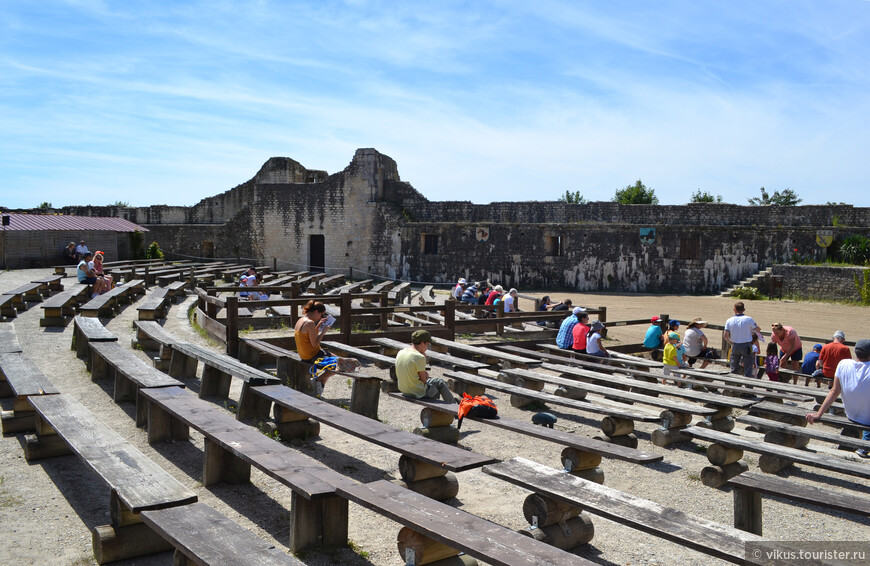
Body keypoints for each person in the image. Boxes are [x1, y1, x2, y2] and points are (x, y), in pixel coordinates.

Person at [807, 339, 870, 458]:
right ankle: (865, 446)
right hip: (866, 419)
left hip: (851, 414)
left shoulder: (843, 364)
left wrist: (819, 413)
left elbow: (834, 391)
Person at [395, 330, 454, 403]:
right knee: (437, 387)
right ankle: (454, 407)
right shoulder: (419, 357)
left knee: (439, 381)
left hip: (403, 389)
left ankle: (453, 405)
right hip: (417, 392)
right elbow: (424, 381)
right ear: (423, 343)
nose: (427, 347)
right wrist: (425, 375)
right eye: (427, 345)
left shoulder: (401, 352)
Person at [294, 300, 335, 396]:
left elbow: (308, 338)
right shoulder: (310, 323)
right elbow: (315, 344)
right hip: (312, 355)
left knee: (337, 359)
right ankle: (318, 380)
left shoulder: (301, 320)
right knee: (338, 365)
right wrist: (324, 332)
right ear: (316, 312)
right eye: (321, 315)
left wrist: (318, 327)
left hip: (304, 354)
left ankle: (318, 389)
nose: (321, 317)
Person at [724, 301, 759, 377]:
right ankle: (748, 386)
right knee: (748, 367)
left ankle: (733, 385)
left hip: (735, 345)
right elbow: (757, 329)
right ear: (744, 309)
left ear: (734, 309)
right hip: (746, 345)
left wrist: (731, 343)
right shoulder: (749, 319)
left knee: (734, 367)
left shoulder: (729, 320)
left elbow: (725, 336)